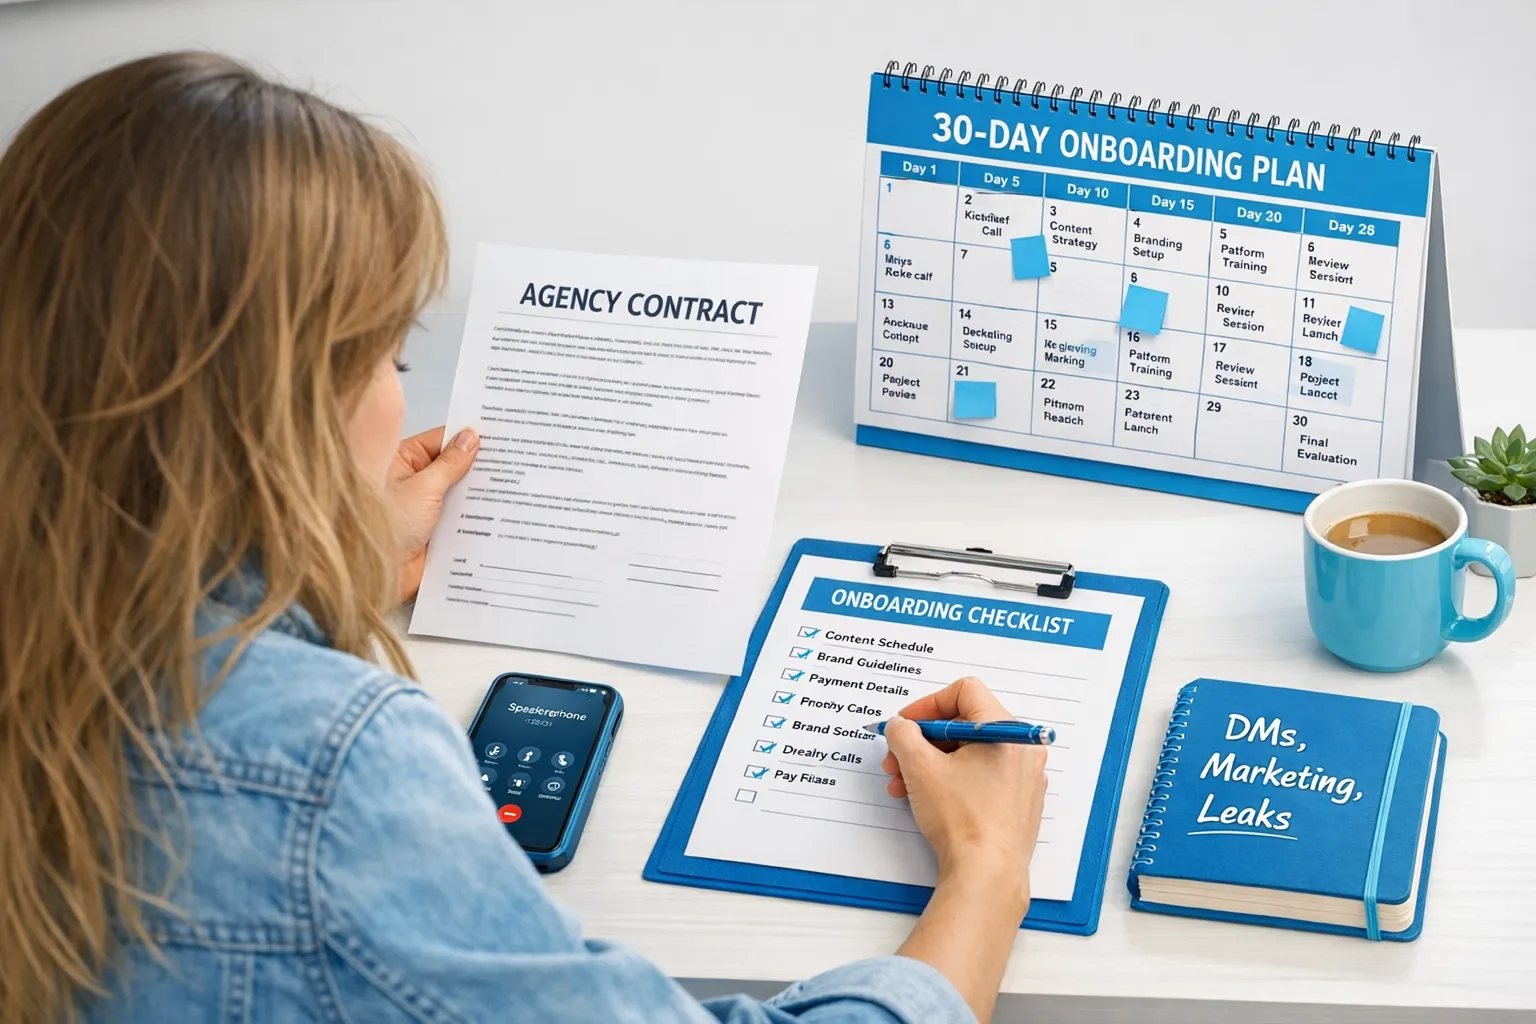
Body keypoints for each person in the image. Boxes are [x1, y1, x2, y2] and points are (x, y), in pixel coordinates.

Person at [0, 52, 1048, 1024]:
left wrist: (324, 568)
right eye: (390, 352)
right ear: (278, 407)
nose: (400, 395)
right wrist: (990, 869)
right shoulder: (337, 765)